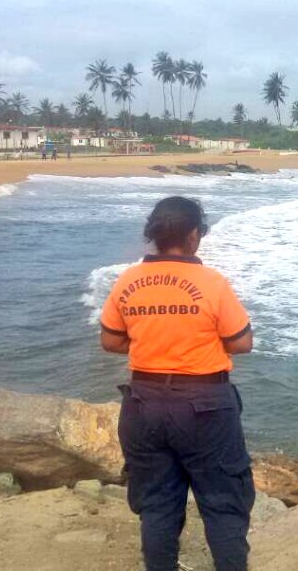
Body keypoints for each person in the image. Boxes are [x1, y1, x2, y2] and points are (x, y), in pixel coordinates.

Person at [100, 196, 255, 571]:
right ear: (192, 235)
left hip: (143, 404)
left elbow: (111, 341)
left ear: (153, 234)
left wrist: (155, 340)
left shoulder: (128, 279)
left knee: (156, 504)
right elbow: (241, 342)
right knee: (223, 504)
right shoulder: (210, 281)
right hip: (205, 406)